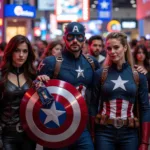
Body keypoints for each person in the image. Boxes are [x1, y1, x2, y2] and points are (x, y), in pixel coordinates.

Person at [37, 22, 100, 150]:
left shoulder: (92, 63)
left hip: (82, 126)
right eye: (71, 37)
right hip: (56, 125)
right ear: (64, 38)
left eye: (79, 37)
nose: (75, 41)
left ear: (84, 39)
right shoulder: (50, 62)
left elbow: (97, 93)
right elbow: (36, 92)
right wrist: (40, 83)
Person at [90, 32, 150, 150]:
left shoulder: (138, 76)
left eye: (116, 47)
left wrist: (145, 141)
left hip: (130, 132)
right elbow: (92, 106)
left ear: (125, 47)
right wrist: (91, 134)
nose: (112, 51)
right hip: (104, 132)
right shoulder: (100, 74)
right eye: (109, 48)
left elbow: (145, 109)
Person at [0, 35, 36, 150]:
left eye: (25, 51)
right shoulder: (2, 75)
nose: (21, 55)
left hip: (29, 133)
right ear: (10, 52)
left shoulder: (33, 75)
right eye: (17, 50)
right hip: (6, 134)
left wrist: (44, 82)